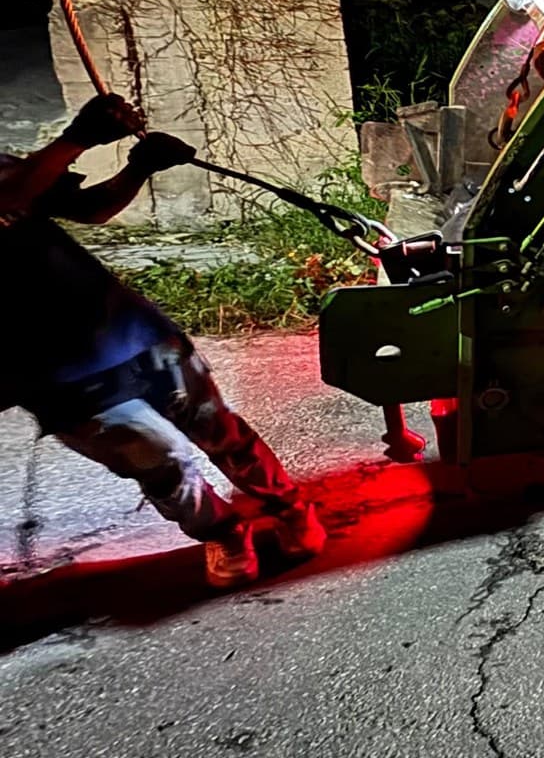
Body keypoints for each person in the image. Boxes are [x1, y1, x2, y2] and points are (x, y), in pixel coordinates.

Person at [0, 94, 324, 588]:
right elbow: (8, 199)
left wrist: (138, 168)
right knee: (161, 464)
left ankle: (290, 508)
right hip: (52, 375)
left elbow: (90, 209)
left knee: (222, 433)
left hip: (132, 331)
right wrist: (77, 138)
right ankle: (223, 531)